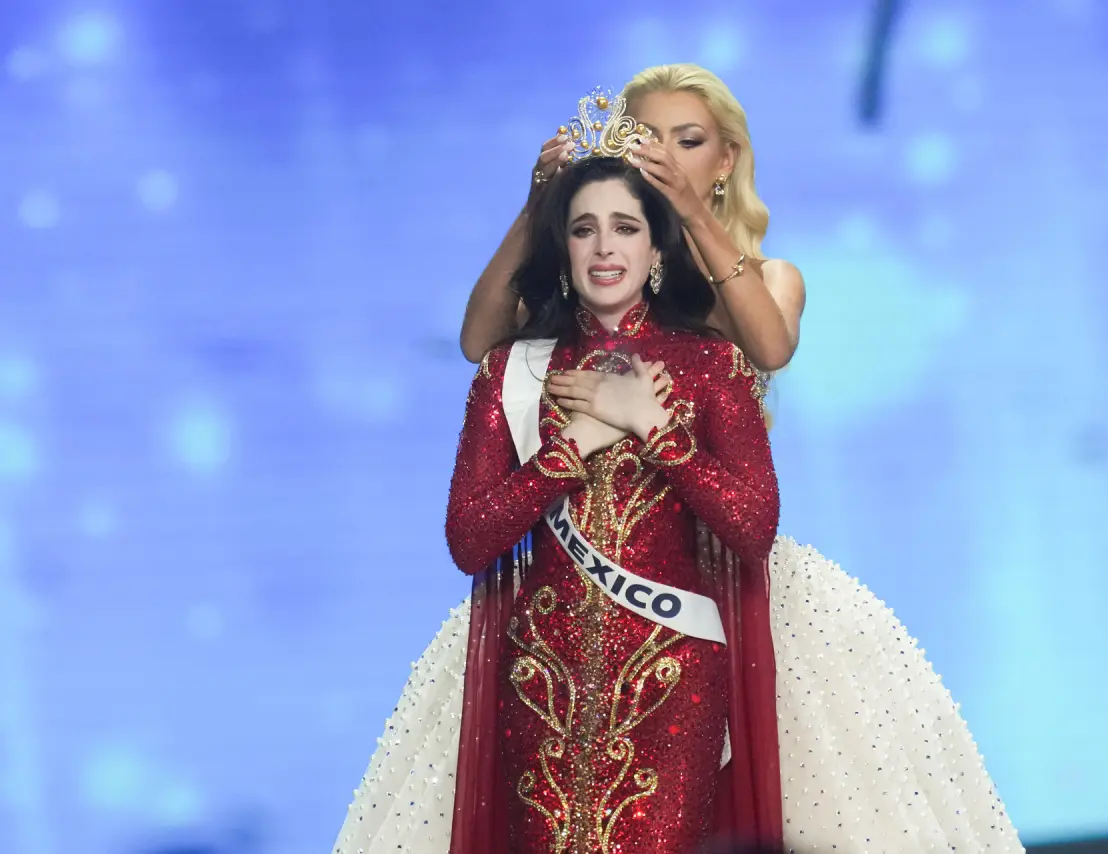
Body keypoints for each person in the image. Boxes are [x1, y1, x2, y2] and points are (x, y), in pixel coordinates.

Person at [333, 83, 1025, 854]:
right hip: (541, 675)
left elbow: (754, 522)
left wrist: (656, 428)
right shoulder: (514, 370)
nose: (605, 248)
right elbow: (469, 537)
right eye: (584, 230)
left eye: (626, 228)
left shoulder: (715, 357)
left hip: (677, 658)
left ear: (656, 249)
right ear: (562, 246)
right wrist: (571, 448)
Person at [460, 64, 804, 374]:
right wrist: (535, 206)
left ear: (726, 160)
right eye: (643, 139)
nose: (663, 155)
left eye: (688, 141)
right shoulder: (604, 271)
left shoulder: (774, 278)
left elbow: (771, 352)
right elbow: (478, 345)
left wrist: (693, 215)